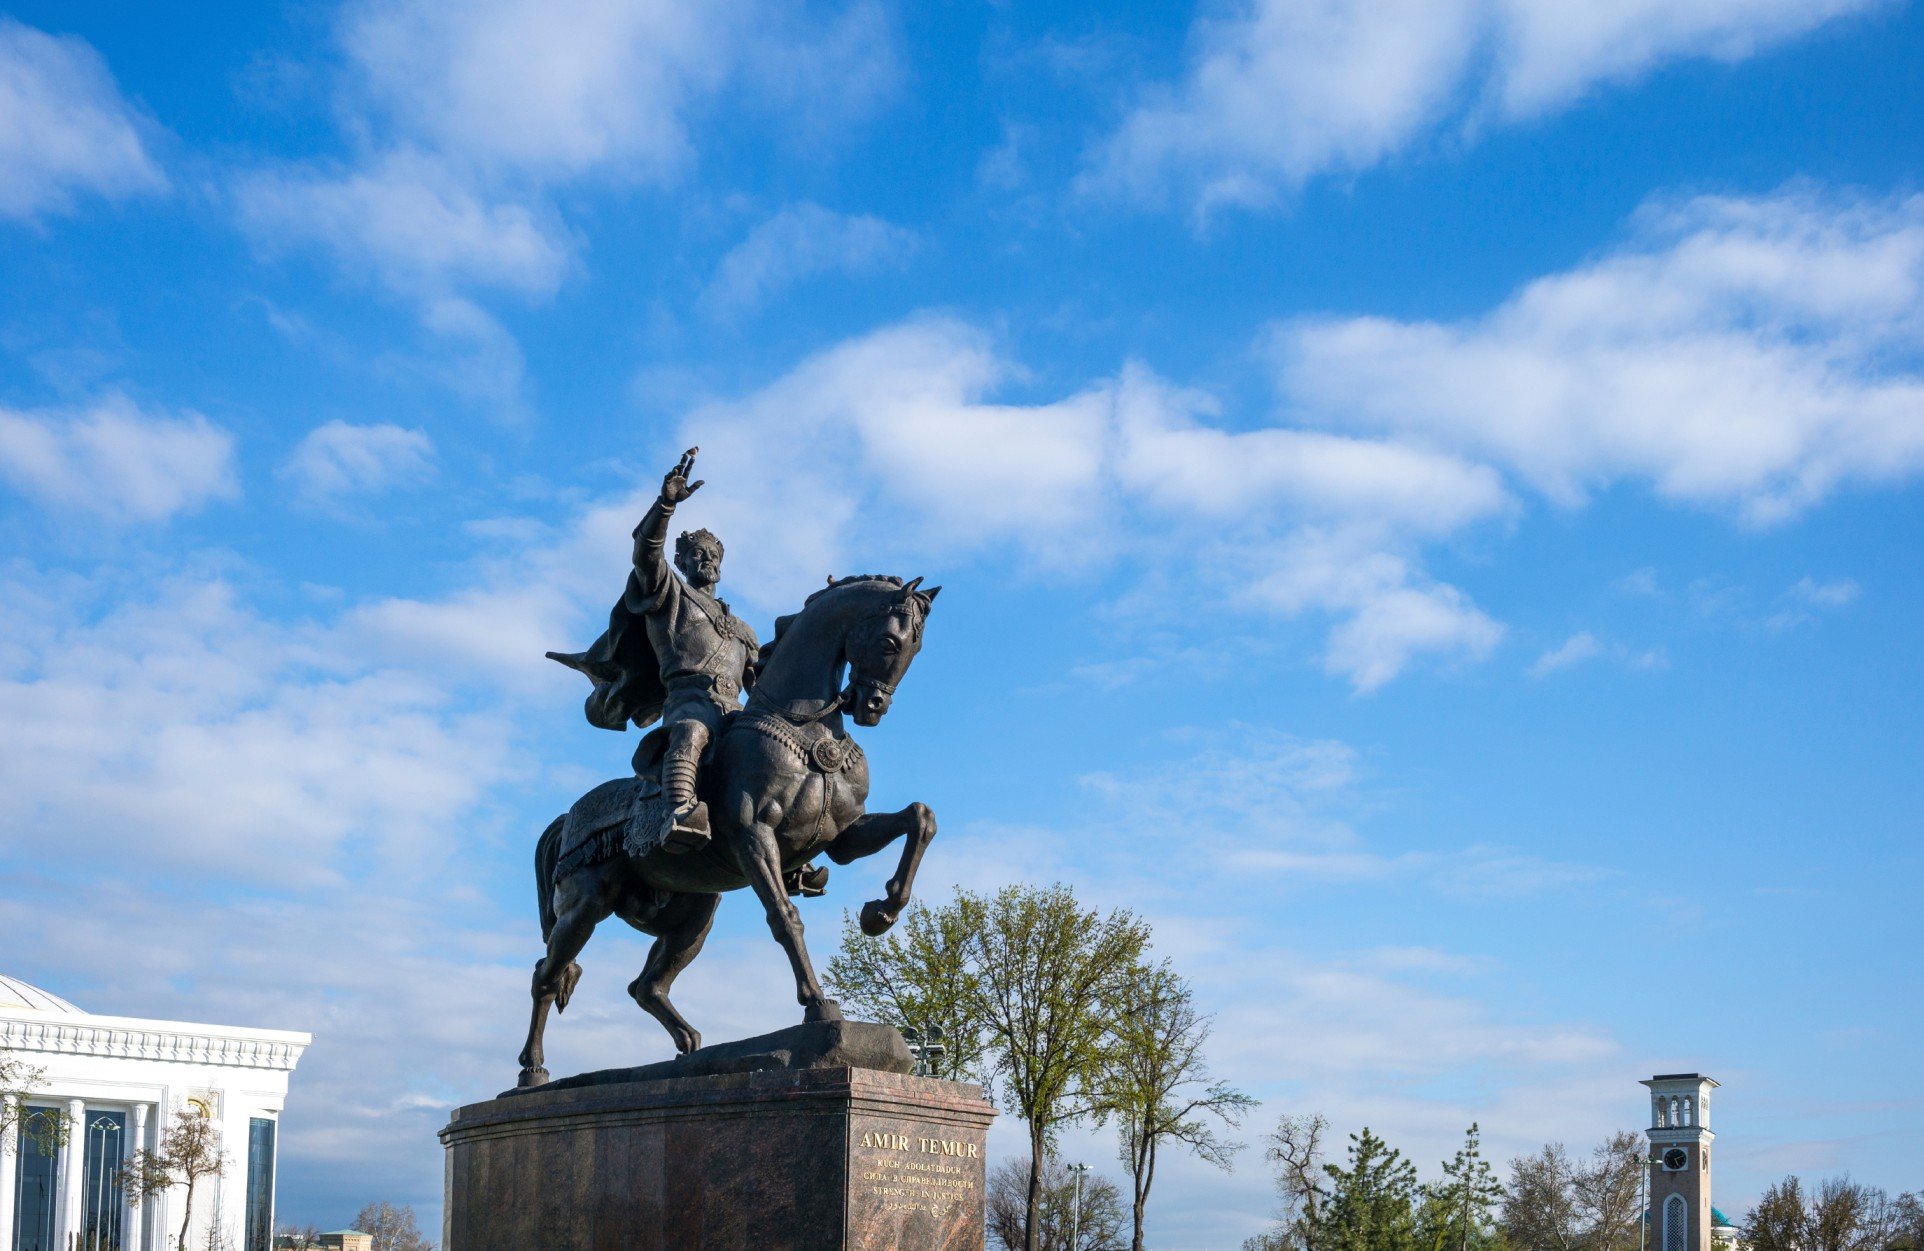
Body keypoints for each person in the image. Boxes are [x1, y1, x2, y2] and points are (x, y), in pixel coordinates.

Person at [546, 448, 758, 850]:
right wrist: (665, 506)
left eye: (714, 555)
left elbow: (761, 688)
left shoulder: (743, 630)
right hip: (689, 705)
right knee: (691, 732)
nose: (707, 559)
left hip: (735, 716)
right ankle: (679, 809)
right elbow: (645, 554)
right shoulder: (669, 593)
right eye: (697, 553)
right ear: (681, 561)